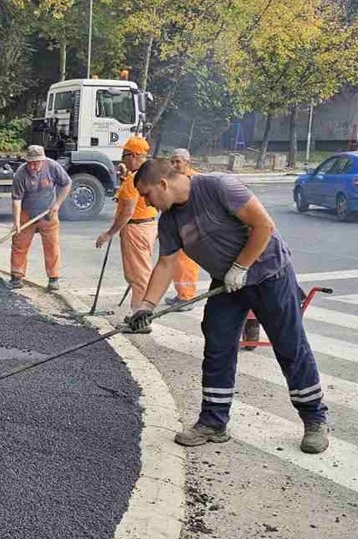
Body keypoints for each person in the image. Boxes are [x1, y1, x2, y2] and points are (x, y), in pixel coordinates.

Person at [127, 158, 329, 455]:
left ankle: (314, 418)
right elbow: (166, 263)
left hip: (269, 275)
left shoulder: (219, 187)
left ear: (163, 184)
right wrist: (145, 306)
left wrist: (241, 265)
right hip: (227, 284)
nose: (146, 201)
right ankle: (213, 422)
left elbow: (264, 225)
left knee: (289, 345)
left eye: (146, 194)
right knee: (217, 345)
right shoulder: (169, 220)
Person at [95, 137, 157, 310]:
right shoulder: (147, 173)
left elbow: (128, 211)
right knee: (141, 272)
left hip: (136, 229)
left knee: (138, 277)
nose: (123, 159)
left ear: (135, 156)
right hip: (148, 226)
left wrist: (109, 233)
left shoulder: (133, 180)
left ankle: (140, 318)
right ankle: (140, 313)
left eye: (125, 155)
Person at [9, 144, 72, 292]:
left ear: (42, 160)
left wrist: (57, 205)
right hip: (27, 212)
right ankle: (16, 277)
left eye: (36, 163)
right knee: (19, 244)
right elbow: (16, 200)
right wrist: (16, 222)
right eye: (30, 163)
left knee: (52, 245)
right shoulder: (21, 173)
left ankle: (53, 278)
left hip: (48, 213)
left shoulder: (52, 167)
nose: (32, 166)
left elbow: (67, 183)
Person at [167, 148, 200, 304]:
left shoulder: (195, 180)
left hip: (190, 229)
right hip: (177, 228)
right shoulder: (174, 180)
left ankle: (187, 297)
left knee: (186, 264)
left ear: (187, 162)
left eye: (177, 162)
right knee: (177, 264)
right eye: (172, 161)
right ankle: (181, 294)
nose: (174, 165)